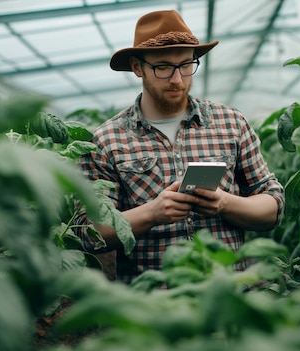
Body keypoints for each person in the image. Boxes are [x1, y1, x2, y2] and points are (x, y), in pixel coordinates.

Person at [74, 9, 285, 284]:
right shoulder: (106, 141)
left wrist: (224, 202)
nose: (177, 79)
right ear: (137, 67)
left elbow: (272, 205)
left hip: (230, 296)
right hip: (154, 309)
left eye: (186, 65)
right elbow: (89, 233)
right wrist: (152, 213)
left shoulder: (231, 123)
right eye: (163, 67)